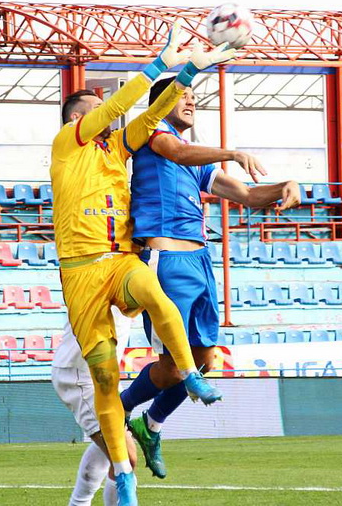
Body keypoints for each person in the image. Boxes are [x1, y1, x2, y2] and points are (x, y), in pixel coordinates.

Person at [50, 19, 235, 506]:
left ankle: (188, 380)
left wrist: (191, 69)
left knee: (155, 296)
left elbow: (153, 113)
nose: (105, 117)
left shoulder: (118, 147)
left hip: (118, 262)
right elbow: (122, 105)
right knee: (118, 438)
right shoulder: (69, 145)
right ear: (73, 121)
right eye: (92, 112)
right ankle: (94, 492)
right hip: (83, 273)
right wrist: (160, 63)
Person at [121, 76, 301, 479]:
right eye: (183, 95)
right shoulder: (152, 132)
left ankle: (151, 426)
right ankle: (119, 406)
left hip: (201, 262)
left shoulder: (196, 167)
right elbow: (180, 153)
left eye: (194, 97)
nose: (191, 101)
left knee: (205, 360)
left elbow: (250, 195)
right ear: (160, 102)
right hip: (165, 261)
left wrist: (283, 186)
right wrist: (233, 152)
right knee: (172, 366)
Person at [52, 307, 137, 506]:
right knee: (126, 458)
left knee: (108, 452)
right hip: (82, 377)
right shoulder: (101, 279)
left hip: (105, 375)